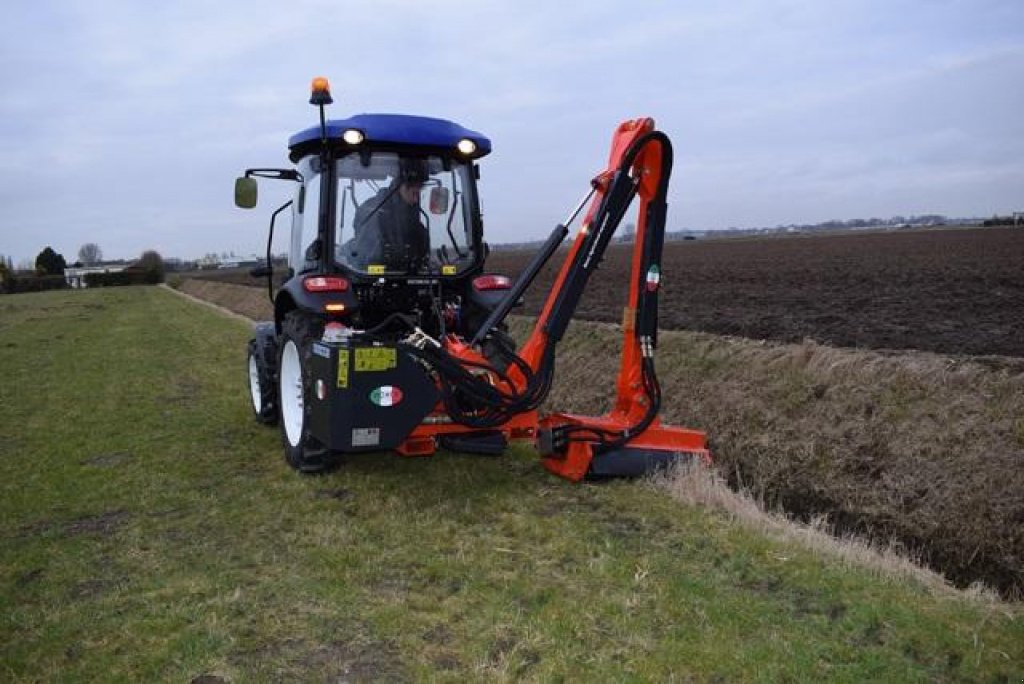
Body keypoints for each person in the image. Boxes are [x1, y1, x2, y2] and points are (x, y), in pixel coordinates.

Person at [346, 158, 430, 270]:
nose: (416, 200)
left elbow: (419, 246)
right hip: (374, 275)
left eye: (419, 194)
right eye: (414, 193)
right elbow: (368, 252)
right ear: (401, 187)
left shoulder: (411, 216)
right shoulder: (374, 212)